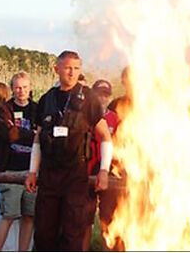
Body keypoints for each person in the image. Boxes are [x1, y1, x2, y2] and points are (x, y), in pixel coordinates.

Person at [24, 50, 113, 251]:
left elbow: (105, 136)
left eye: (76, 68)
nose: (71, 73)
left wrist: (104, 170)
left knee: (73, 232)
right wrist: (32, 171)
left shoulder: (89, 98)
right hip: (49, 174)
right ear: (57, 69)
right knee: (45, 233)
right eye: (67, 68)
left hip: (75, 174)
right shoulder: (47, 99)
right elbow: (38, 139)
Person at [0, 72, 38, 252]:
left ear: (30, 87)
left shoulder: (37, 108)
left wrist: (20, 133)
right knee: (9, 215)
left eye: (25, 87)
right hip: (10, 170)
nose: (21, 91)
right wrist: (32, 135)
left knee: (29, 216)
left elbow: (39, 135)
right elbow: (9, 134)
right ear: (12, 88)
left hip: (31, 170)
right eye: (18, 87)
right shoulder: (5, 109)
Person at [83, 79, 126, 251]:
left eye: (106, 95)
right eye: (99, 94)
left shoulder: (114, 118)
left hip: (109, 171)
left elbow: (122, 144)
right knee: (85, 218)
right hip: (88, 169)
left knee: (108, 216)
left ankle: (108, 249)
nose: (102, 98)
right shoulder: (84, 116)